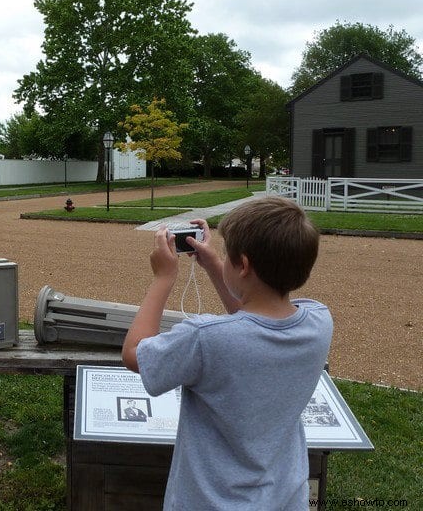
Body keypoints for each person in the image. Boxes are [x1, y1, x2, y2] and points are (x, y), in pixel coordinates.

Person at [122, 196, 332, 510]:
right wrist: (214, 264)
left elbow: (136, 353)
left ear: (244, 265)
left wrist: (163, 278)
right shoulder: (318, 321)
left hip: (210, 501)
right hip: (282, 498)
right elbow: (255, 318)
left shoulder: (205, 338)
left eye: (227, 254)